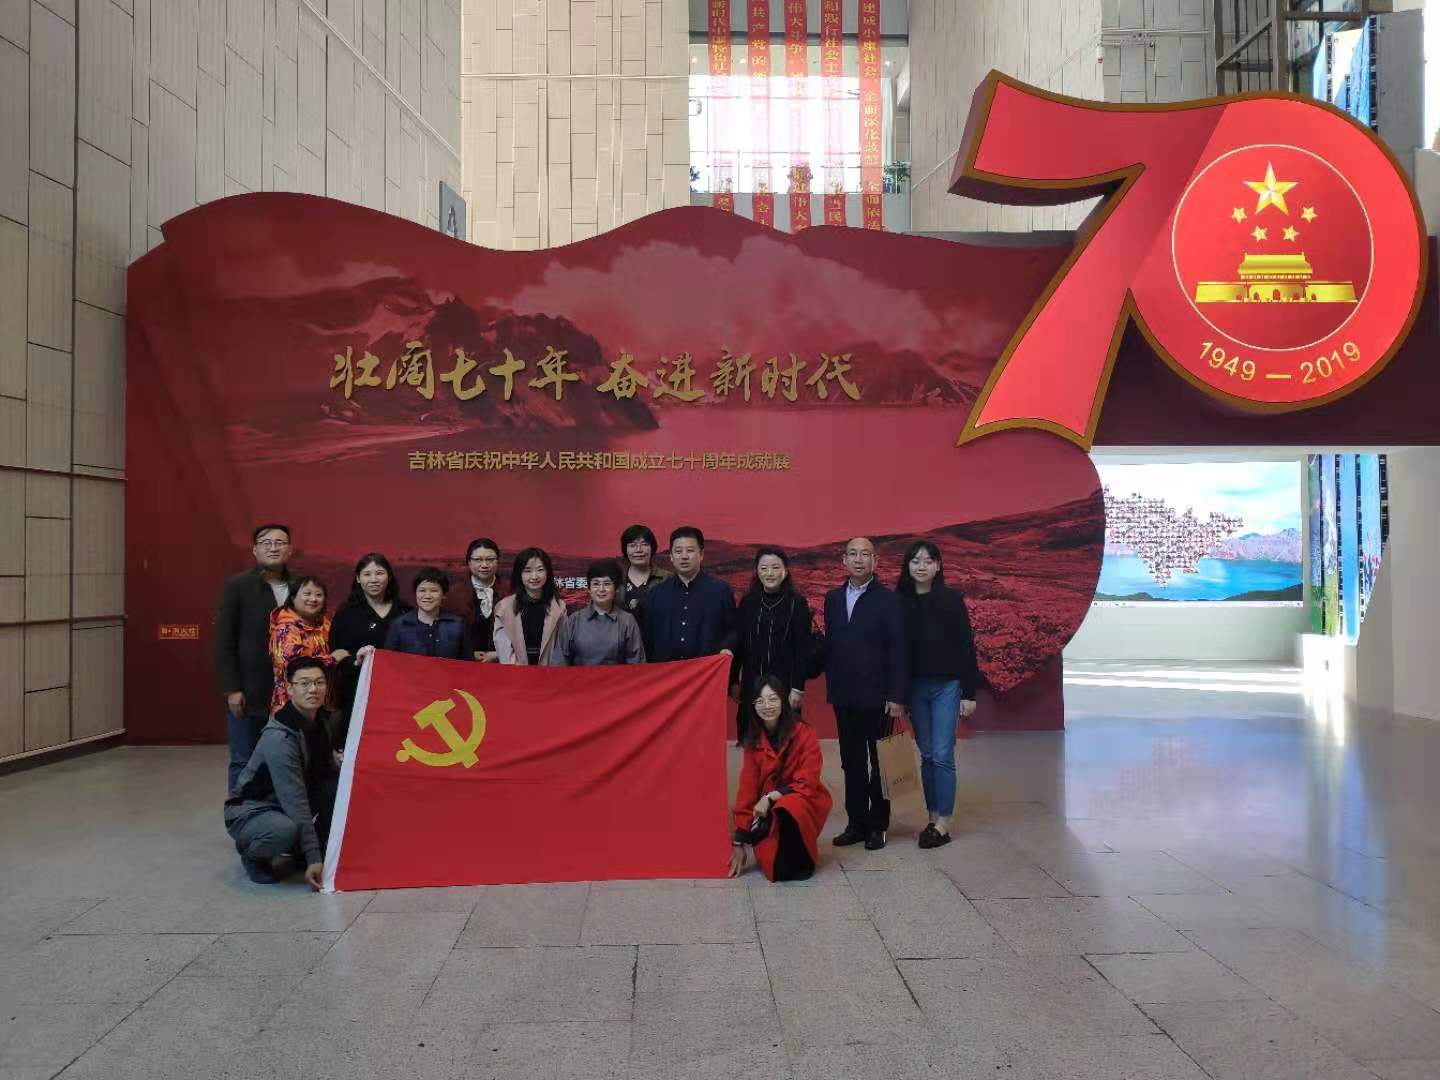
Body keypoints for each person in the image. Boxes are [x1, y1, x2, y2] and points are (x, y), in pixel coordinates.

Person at [224, 655, 340, 887]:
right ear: (289, 689)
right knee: (284, 830)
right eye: (304, 683)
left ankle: (301, 850)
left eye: (319, 682)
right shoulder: (279, 737)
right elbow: (295, 801)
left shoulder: (322, 722)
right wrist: (314, 859)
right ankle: (252, 853)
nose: (313, 689)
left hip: (287, 802)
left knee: (339, 786)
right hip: (253, 809)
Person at [823, 536, 907, 851]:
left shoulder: (889, 600)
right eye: (853, 554)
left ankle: (878, 825)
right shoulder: (832, 599)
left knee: (881, 763)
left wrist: (897, 696)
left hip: (879, 698)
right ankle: (856, 823)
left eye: (865, 554)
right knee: (851, 763)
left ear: (875, 561)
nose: (859, 559)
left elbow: (899, 651)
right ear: (843, 560)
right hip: (844, 696)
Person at [898, 540, 981, 849]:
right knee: (927, 754)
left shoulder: (951, 600)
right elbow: (895, 652)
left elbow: (966, 646)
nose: (921, 566)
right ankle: (932, 816)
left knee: (943, 753)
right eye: (915, 560)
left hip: (947, 686)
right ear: (908, 566)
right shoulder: (900, 602)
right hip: (915, 689)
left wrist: (969, 692)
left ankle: (944, 821)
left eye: (928, 560)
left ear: (938, 566)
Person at [215, 523, 298, 790]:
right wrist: (232, 689)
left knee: (288, 758)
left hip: (291, 691)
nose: (273, 548)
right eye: (266, 543)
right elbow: (224, 641)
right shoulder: (238, 585)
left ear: (289, 549)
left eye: (280, 542)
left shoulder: (300, 585)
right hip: (251, 689)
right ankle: (241, 811)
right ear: (254, 550)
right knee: (244, 758)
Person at [728, 675, 833, 882]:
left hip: (804, 801)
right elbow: (747, 789)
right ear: (753, 706)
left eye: (773, 699)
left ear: (783, 701)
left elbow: (808, 781)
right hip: (768, 813)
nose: (767, 706)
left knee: (790, 805)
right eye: (760, 701)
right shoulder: (753, 741)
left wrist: (770, 797)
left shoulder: (805, 734)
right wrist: (739, 841)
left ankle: (802, 859)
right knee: (773, 865)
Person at [732, 547, 817, 743]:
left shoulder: (797, 603)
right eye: (764, 568)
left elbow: (802, 649)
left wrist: (798, 688)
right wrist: (734, 681)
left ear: (785, 571)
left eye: (775, 567)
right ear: (757, 571)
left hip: (785, 685)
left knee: (785, 741)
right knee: (752, 741)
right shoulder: (748, 602)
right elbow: (740, 645)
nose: (769, 573)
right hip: (752, 684)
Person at [329, 553, 407, 744]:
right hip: (357, 689)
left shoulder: (405, 611)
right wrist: (355, 661)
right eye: (367, 574)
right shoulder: (346, 613)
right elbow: (337, 654)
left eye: (379, 573)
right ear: (358, 578)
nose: (373, 579)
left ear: (389, 576)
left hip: (398, 691)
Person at [642, 526, 737, 662]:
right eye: (678, 551)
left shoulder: (720, 591)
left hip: (706, 671)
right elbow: (648, 639)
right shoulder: (657, 594)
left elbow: (732, 631)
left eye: (690, 550)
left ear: (701, 554)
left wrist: (726, 648)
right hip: (668, 671)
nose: (684, 556)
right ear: (671, 556)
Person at [548, 559, 646, 666]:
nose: (601, 589)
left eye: (607, 584)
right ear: (589, 589)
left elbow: (637, 665)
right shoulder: (574, 621)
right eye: (596, 584)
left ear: (616, 589)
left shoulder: (627, 621)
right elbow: (560, 662)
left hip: (618, 677)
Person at [267, 576, 334, 714]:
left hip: (319, 703)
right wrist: (333, 659)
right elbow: (295, 665)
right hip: (291, 704)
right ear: (293, 597)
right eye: (307, 594)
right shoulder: (285, 628)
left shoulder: (326, 625)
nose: (313, 599)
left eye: (318, 595)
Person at [493, 547, 567, 665]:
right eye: (527, 571)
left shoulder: (559, 607)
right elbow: (503, 648)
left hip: (550, 672)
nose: (534, 576)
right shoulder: (504, 607)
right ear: (519, 574)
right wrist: (520, 672)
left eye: (540, 570)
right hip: (515, 672)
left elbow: (562, 647)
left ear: (548, 573)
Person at [383, 568, 474, 659]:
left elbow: (467, 661)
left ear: (443, 595)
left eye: (434, 591)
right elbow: (389, 661)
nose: (427, 596)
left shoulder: (458, 624)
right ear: (415, 593)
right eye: (422, 590)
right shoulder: (399, 625)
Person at [619, 524, 668, 629]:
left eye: (644, 544)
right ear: (625, 549)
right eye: (632, 545)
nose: (638, 550)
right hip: (623, 638)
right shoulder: (617, 580)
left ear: (652, 548)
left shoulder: (667, 578)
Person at [464, 538, 503, 663]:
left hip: (504, 662)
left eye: (490, 559)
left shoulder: (511, 593)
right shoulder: (454, 594)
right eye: (478, 560)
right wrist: (468, 653)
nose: (484, 565)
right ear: (469, 562)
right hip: (464, 663)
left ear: (497, 561)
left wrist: (499, 653)